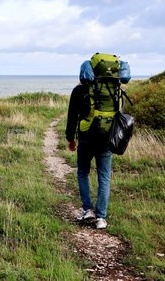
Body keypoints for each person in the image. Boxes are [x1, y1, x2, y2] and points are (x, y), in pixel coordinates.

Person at [65, 83, 112, 229]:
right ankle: (101, 218)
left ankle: (87, 210)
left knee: (83, 173)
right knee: (104, 177)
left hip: (86, 139)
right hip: (106, 139)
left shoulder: (79, 89)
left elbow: (72, 115)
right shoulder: (112, 89)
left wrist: (71, 138)